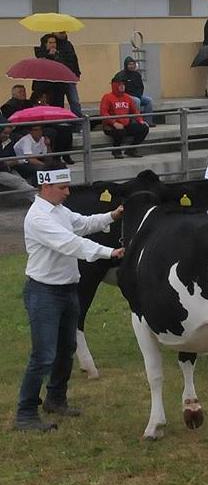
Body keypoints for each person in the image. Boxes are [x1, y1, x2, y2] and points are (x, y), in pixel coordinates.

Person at [16, 168, 125, 431]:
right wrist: (109, 252)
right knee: (43, 356)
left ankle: (56, 399)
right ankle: (25, 413)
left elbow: (83, 223)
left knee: (66, 350)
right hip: (44, 292)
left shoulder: (60, 210)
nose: (68, 192)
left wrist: (112, 215)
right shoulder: (39, 217)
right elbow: (72, 243)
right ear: (46, 187)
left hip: (66, 289)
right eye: (63, 187)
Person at [99, 77, 149, 158]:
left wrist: (140, 121)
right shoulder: (107, 97)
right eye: (120, 84)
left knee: (144, 128)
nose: (122, 86)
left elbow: (135, 111)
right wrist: (114, 123)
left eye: (123, 84)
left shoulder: (127, 97)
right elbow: (103, 113)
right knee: (120, 131)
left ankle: (131, 149)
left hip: (126, 124)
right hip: (111, 126)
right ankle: (116, 150)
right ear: (114, 85)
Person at [114, 56, 154, 126]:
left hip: (137, 95)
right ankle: (137, 122)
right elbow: (119, 88)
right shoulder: (121, 75)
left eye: (133, 64)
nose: (131, 66)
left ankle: (148, 122)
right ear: (126, 65)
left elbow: (141, 87)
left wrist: (139, 94)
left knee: (149, 100)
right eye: (130, 64)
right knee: (137, 101)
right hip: (126, 96)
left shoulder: (137, 75)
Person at [53, 32, 85, 117]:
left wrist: (77, 73)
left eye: (64, 32)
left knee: (74, 101)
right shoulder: (52, 43)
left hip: (69, 76)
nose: (63, 34)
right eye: (60, 32)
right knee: (58, 101)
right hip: (57, 78)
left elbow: (74, 59)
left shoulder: (68, 44)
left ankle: (78, 121)